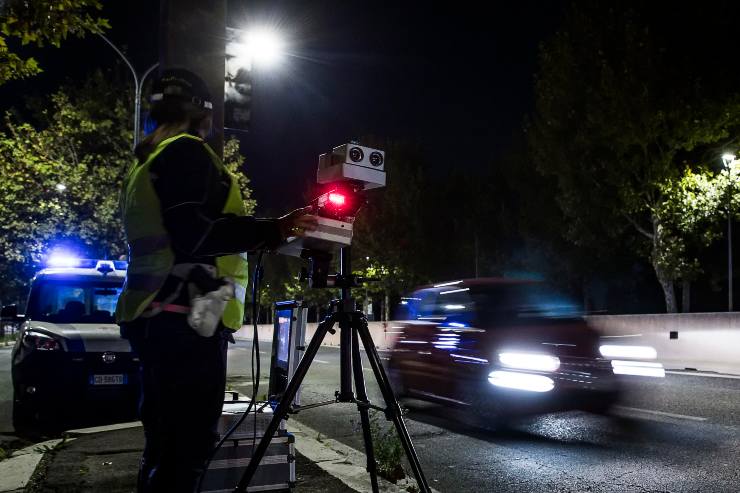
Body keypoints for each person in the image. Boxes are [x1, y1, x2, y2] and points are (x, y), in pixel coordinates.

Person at [115, 68, 316, 492]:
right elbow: (197, 233)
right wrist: (272, 230)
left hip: (158, 318)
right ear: (203, 114)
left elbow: (182, 235)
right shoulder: (185, 152)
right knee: (185, 452)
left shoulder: (147, 163)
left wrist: (264, 234)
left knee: (164, 448)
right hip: (185, 321)